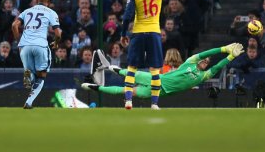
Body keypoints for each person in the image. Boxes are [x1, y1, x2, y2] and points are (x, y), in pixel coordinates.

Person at [120, 0, 180, 110]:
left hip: (138, 33)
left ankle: (129, 100)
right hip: (154, 32)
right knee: (155, 69)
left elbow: (127, 16)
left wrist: (123, 33)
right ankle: (154, 104)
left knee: (131, 68)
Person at [82, 43, 244, 99]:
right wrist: (224, 49)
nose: (204, 60)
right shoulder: (190, 62)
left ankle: (92, 86)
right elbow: (206, 53)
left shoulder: (203, 75)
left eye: (206, 62)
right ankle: (106, 66)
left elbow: (216, 67)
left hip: (157, 93)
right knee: (128, 73)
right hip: (156, 80)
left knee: (124, 92)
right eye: (203, 59)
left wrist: (230, 58)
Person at [12, 0, 61, 109]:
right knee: (42, 75)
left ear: (37, 0)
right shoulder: (51, 12)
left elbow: (14, 25)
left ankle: (29, 76)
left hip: (24, 46)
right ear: (48, 1)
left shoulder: (27, 11)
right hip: (40, 45)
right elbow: (58, 33)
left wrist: (19, 41)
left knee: (32, 74)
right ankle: (29, 102)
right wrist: (56, 42)